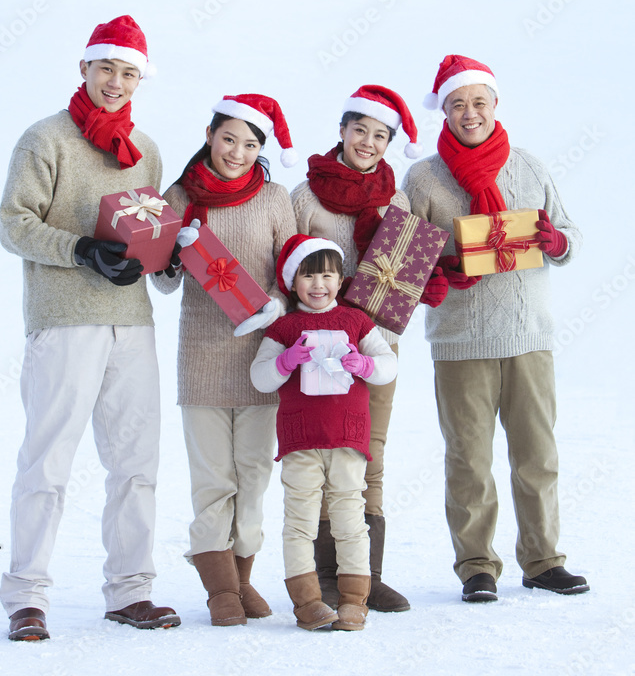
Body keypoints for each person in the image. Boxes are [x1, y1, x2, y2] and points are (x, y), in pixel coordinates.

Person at [0, 15, 180, 641]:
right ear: (85, 68)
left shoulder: (146, 150)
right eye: (107, 68)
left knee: (136, 462)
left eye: (129, 73)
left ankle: (131, 591)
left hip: (133, 325)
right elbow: (13, 224)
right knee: (47, 461)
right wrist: (80, 249)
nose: (116, 82)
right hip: (63, 321)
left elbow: (151, 244)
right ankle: (25, 596)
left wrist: (169, 260)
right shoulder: (44, 139)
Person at [403, 53, 589, 602]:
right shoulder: (423, 178)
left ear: (494, 104)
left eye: (479, 102)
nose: (470, 113)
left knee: (537, 454)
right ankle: (477, 565)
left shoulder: (529, 167)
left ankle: (543, 559)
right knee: (468, 458)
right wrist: (445, 267)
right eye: (458, 104)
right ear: (444, 110)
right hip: (460, 341)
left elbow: (570, 233)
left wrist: (556, 241)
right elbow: (406, 262)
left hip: (529, 335)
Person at [291, 84, 448, 612]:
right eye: (360, 130)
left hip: (377, 344)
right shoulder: (306, 196)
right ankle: (323, 579)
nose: (369, 142)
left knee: (368, 451)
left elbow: (398, 271)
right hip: (317, 349)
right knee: (319, 453)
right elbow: (287, 270)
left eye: (381, 135)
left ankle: (366, 573)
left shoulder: (395, 198)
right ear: (342, 130)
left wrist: (423, 280)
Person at [151, 94, 297, 626]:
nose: (237, 152)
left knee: (254, 475)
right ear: (210, 134)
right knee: (214, 479)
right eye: (228, 138)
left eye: (251, 143)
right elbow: (165, 284)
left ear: (262, 148)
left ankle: (243, 578)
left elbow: (291, 272)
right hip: (203, 357)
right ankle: (221, 591)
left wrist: (282, 303)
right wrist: (167, 252)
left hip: (264, 359)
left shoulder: (276, 197)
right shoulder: (180, 196)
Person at [251, 234, 398, 632]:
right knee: (300, 520)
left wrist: (364, 366)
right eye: (309, 276)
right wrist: (286, 360)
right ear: (292, 281)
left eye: (328, 276)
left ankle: (354, 601)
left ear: (340, 279)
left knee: (350, 519)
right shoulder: (284, 327)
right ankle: (308, 602)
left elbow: (388, 363)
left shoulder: (355, 321)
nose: (319, 285)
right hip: (301, 442)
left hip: (348, 440)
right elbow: (260, 378)